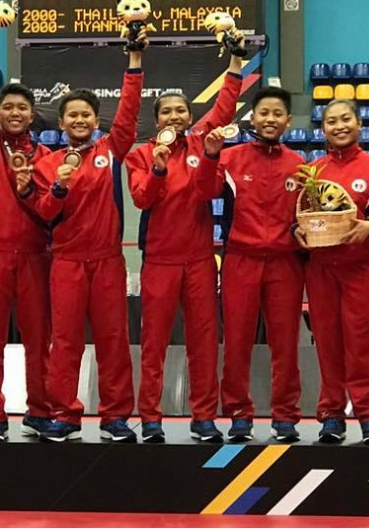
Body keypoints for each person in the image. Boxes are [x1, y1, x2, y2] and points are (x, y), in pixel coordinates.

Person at [19, 44, 145, 443]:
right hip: (67, 262)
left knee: (114, 342)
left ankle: (115, 417)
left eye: (86, 115)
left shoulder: (111, 150)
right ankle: (64, 416)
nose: (79, 119)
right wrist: (59, 187)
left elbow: (128, 113)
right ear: (61, 122)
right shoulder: (46, 164)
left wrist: (134, 64)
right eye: (72, 114)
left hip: (107, 260)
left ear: (95, 120)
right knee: (67, 342)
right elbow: (42, 212)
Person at [125, 44, 244, 443]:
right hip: (158, 261)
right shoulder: (141, 155)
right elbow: (142, 198)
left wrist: (235, 64)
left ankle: (204, 417)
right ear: (155, 120)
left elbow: (209, 189)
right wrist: (158, 168)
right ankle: (152, 420)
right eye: (166, 112)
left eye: (180, 111)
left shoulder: (202, 146)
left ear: (190, 117)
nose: (174, 116)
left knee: (204, 343)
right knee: (153, 345)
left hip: (198, 260)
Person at [197, 87, 305, 443]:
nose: (270, 119)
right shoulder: (230, 158)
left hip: (284, 264)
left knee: (285, 343)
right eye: (264, 113)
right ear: (252, 117)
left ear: (288, 121)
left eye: (277, 113)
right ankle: (239, 415)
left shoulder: (300, 166)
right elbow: (205, 192)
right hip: (240, 260)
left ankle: (286, 416)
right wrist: (211, 157)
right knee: (238, 341)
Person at [290, 99, 369, 445]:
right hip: (320, 271)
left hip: (359, 269)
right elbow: (299, 216)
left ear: (359, 124)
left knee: (362, 345)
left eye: (345, 119)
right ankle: (332, 414)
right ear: (323, 129)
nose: (339, 126)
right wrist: (297, 232)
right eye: (331, 121)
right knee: (328, 345)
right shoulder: (313, 170)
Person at [0, 35, 53, 442]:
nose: (15, 112)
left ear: (33, 115)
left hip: (36, 253)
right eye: (8, 107)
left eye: (23, 107)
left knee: (40, 339)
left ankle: (39, 410)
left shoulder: (47, 158)